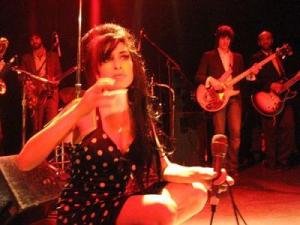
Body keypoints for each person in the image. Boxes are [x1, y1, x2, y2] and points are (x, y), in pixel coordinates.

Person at [16, 23, 233, 225]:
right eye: (107, 59)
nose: (118, 66)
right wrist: (79, 109)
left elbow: (165, 169)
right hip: (86, 210)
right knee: (160, 209)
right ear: (96, 70)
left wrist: (208, 174)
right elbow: (25, 162)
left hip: (124, 200)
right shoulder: (84, 108)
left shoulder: (137, 109)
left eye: (124, 56)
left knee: (196, 192)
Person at [195, 25, 244, 177]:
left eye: (228, 38)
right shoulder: (209, 56)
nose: (225, 41)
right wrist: (211, 80)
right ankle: (219, 169)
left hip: (234, 96)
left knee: (235, 134)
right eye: (222, 38)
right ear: (218, 39)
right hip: (218, 99)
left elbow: (241, 78)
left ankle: (232, 167)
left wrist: (251, 75)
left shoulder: (237, 57)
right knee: (220, 134)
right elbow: (199, 76)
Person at [250, 30, 296, 170]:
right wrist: (270, 85)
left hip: (283, 97)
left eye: (268, 38)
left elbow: (284, 76)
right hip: (266, 98)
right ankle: (271, 161)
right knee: (269, 130)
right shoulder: (255, 58)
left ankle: (283, 159)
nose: (266, 41)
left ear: (272, 40)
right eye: (263, 39)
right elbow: (252, 81)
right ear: (259, 42)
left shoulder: (279, 55)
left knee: (288, 126)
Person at [21, 33, 62, 137]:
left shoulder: (53, 56)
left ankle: (51, 152)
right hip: (36, 96)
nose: (34, 41)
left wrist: (55, 81)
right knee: (36, 129)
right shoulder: (26, 58)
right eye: (32, 39)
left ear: (42, 39)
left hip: (51, 95)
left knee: (51, 126)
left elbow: (59, 74)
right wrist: (29, 86)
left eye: (37, 38)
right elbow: (22, 76)